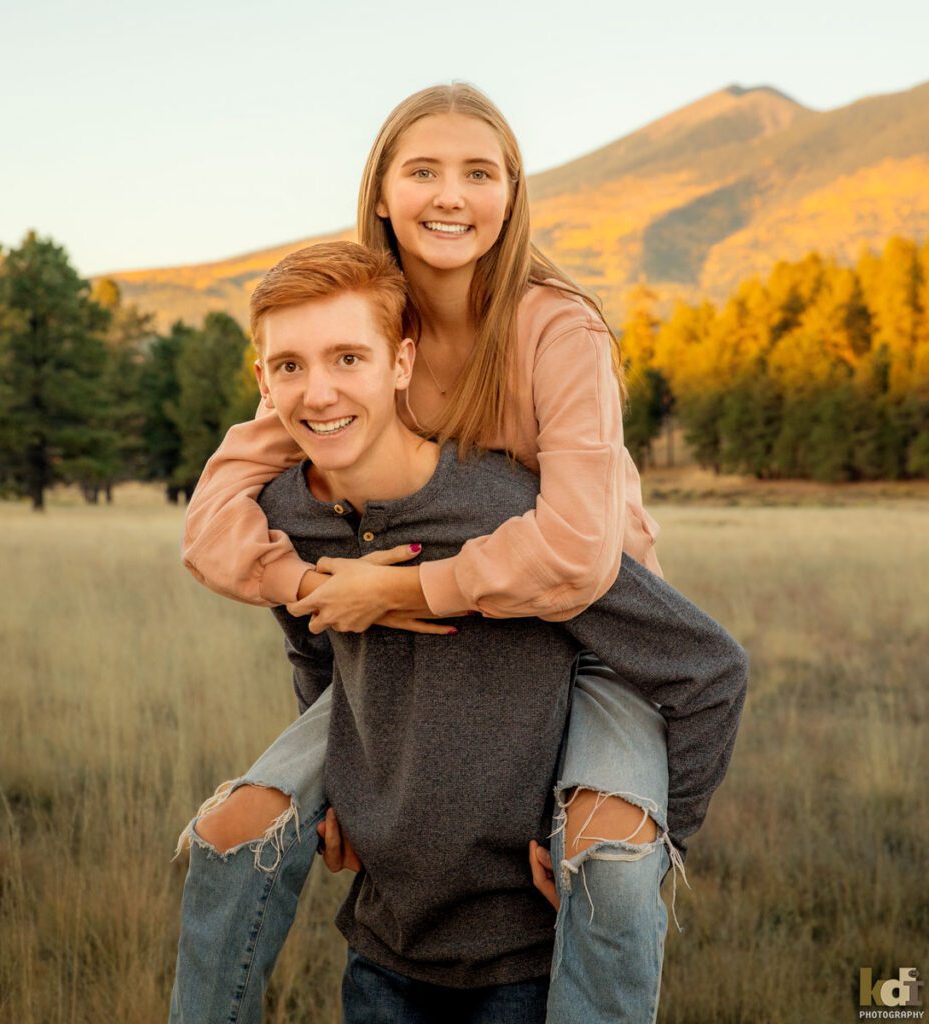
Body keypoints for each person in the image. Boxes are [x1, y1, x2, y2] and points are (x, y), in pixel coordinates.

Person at [169, 241, 748, 1024]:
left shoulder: (508, 513)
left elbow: (707, 667)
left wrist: (654, 847)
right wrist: (338, 784)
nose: (320, 391)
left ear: (402, 363)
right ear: (262, 382)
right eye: (291, 366)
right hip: (383, 941)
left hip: (526, 958)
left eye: (348, 357)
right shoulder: (286, 518)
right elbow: (313, 651)